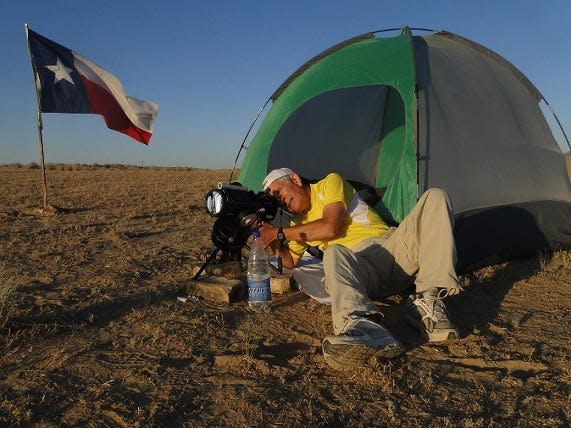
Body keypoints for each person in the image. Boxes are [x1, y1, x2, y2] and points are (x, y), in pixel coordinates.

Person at [258, 168, 462, 371]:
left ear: (295, 179)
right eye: (276, 202)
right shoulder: (296, 224)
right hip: (360, 272)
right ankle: (363, 326)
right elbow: (289, 262)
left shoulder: (329, 183)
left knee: (436, 196)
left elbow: (329, 226)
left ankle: (427, 301)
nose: (281, 201)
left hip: (390, 249)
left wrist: (280, 232)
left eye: (279, 192)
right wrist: (266, 235)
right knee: (334, 253)